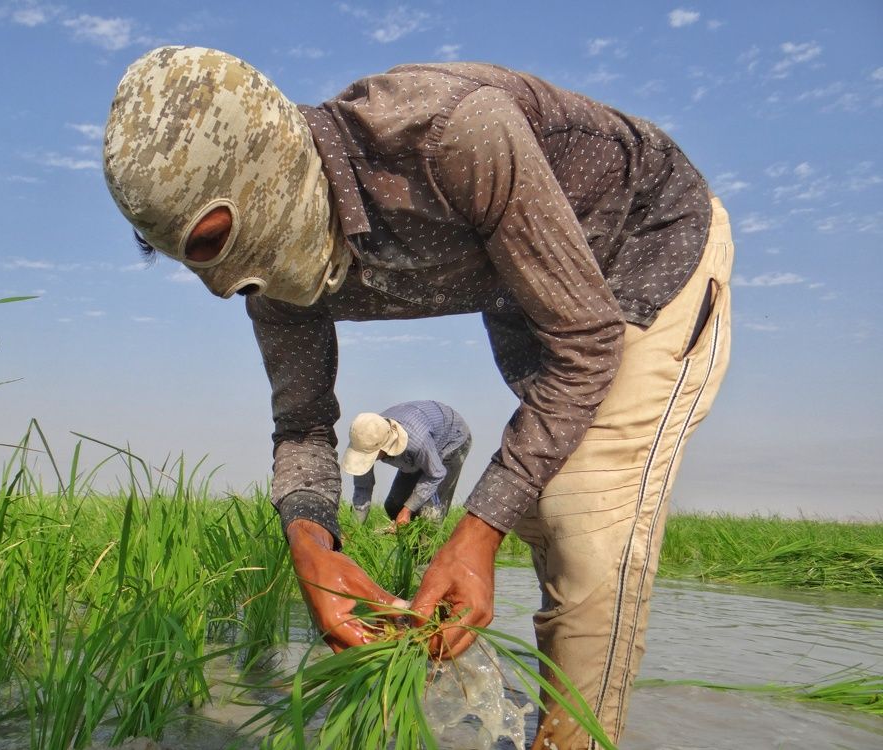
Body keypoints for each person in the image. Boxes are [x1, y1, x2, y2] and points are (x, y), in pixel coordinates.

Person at [102, 46, 734, 750]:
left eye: (217, 239)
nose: (228, 286)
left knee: (583, 520)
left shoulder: (450, 137)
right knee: (539, 520)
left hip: (643, 254)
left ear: (267, 175)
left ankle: (575, 741)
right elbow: (304, 426)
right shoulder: (266, 279)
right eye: (198, 263)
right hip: (525, 289)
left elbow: (585, 344)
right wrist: (310, 542)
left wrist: (476, 530)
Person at [341, 401, 472, 525]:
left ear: (384, 447)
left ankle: (429, 548)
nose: (365, 459)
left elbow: (436, 474)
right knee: (394, 505)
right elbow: (362, 488)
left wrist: (407, 510)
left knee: (429, 515)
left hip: (451, 439)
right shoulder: (363, 438)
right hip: (423, 439)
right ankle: (407, 547)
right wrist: (354, 529)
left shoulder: (416, 443)